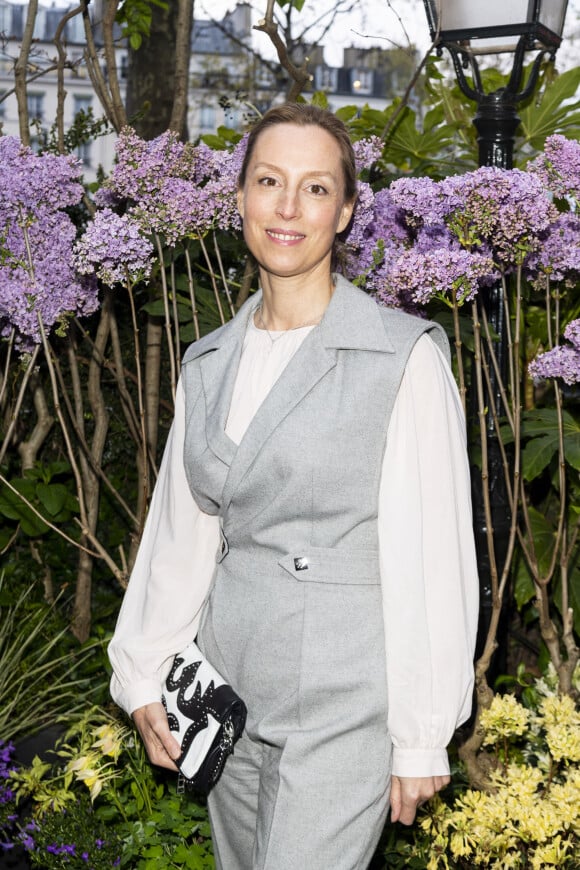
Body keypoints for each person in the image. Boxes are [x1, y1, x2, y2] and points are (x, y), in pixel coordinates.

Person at [108, 103, 479, 870]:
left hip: (345, 700)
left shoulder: (399, 356)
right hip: (226, 694)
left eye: (315, 189)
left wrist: (419, 732)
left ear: (344, 212)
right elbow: (185, 532)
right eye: (269, 181)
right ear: (240, 196)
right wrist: (143, 669)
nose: (287, 207)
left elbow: (431, 559)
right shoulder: (208, 362)